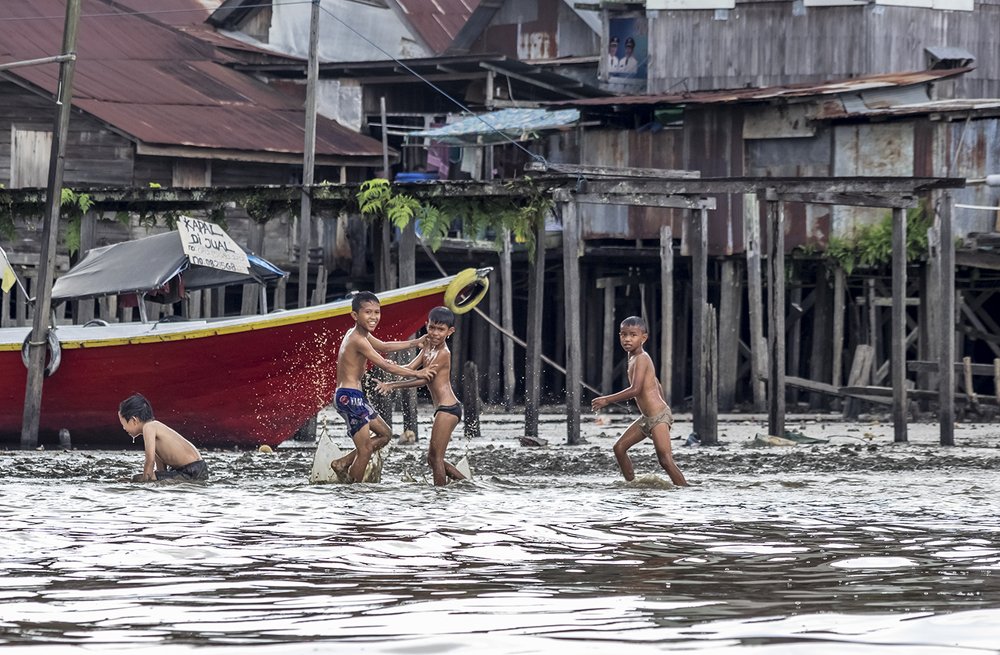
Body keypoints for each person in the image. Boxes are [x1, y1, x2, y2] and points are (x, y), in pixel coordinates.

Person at [331, 291, 436, 483]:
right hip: (349, 397)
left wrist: (415, 342)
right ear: (355, 316)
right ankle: (354, 491)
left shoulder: (361, 334)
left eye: (377, 312)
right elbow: (385, 364)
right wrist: (417, 373)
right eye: (368, 312)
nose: (373, 317)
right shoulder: (357, 339)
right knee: (365, 450)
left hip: (356, 397)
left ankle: (342, 463)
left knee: (385, 435)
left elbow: (385, 346)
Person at [591, 316, 688, 486]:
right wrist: (663, 405)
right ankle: (632, 484)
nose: (627, 339)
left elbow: (635, 390)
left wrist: (607, 400)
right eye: (623, 334)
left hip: (657, 417)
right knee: (619, 448)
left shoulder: (642, 358)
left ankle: (687, 491)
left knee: (665, 461)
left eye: (633, 335)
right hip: (647, 418)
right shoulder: (633, 358)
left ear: (643, 338)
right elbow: (656, 382)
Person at [376, 306, 467, 486]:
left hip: (448, 409)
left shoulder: (443, 354)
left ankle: (440, 493)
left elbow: (422, 380)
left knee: (436, 458)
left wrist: (393, 385)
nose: (434, 333)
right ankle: (466, 484)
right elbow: (411, 369)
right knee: (432, 459)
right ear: (426, 325)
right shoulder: (427, 346)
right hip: (443, 409)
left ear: (450, 331)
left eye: (440, 330)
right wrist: (392, 366)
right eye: (432, 327)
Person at [118, 393, 209, 482]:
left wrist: (143, 483)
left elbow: (150, 461)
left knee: (136, 478)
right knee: (148, 477)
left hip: (191, 470)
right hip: (197, 468)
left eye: (123, 424)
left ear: (134, 420)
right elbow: (161, 471)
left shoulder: (149, 427)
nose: (124, 428)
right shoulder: (154, 429)